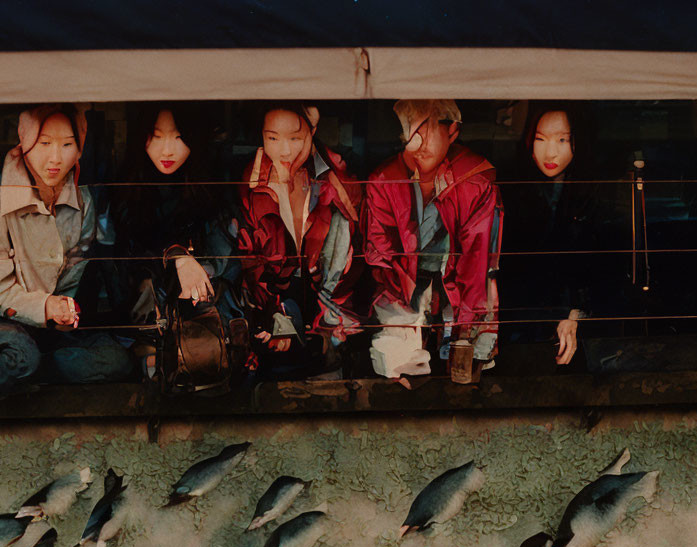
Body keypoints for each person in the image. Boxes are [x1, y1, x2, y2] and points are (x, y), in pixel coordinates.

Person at [0, 104, 133, 396]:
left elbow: (76, 269)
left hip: (53, 330)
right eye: (44, 144)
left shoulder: (83, 201)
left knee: (119, 359)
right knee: (22, 356)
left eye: (67, 145)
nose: (55, 158)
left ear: (79, 149)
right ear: (25, 144)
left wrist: (66, 311)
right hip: (1, 320)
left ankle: (32, 374)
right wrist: (45, 307)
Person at [364, 99, 503, 379]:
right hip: (406, 292)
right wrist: (400, 329)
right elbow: (383, 261)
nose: (417, 143)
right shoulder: (383, 181)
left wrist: (467, 331)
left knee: (466, 369)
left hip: (460, 294)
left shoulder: (475, 181)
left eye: (427, 129)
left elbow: (478, 264)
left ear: (452, 131)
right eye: (409, 131)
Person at [109, 103, 244, 383]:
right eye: (156, 136)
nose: (167, 150)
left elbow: (225, 261)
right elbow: (123, 266)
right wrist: (176, 257)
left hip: (200, 330)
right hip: (143, 331)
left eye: (179, 137)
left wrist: (197, 272)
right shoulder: (128, 188)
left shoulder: (211, 186)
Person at [237, 103, 364, 377]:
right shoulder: (250, 185)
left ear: (312, 131)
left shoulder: (336, 183)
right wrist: (274, 315)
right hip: (270, 316)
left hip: (326, 316)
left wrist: (330, 319)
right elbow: (248, 261)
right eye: (272, 138)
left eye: (295, 138)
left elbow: (353, 258)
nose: (284, 150)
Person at [500, 102, 598, 366]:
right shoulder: (512, 192)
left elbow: (596, 267)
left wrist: (575, 314)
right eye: (540, 139)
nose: (550, 151)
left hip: (571, 329)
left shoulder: (593, 194)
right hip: (520, 326)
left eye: (562, 139)